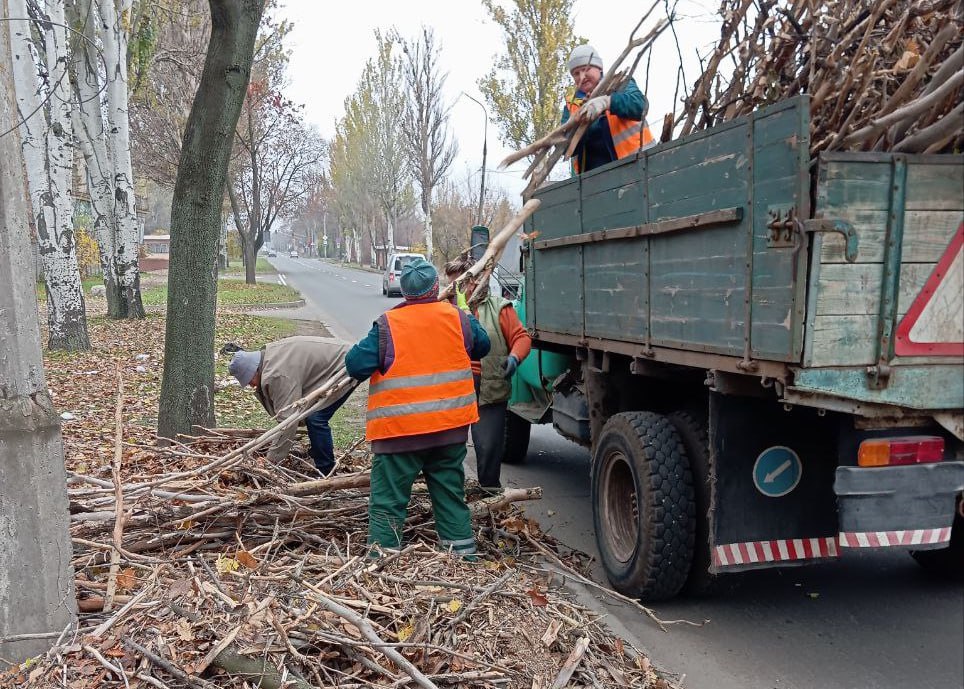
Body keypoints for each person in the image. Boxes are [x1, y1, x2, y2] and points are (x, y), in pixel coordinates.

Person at [345, 258, 491, 559]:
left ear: (404, 291)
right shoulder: (458, 320)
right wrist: (460, 314)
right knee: (451, 497)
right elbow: (483, 345)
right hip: (448, 433)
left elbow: (355, 364)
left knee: (388, 502)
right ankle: (463, 561)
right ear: (437, 287)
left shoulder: (387, 326)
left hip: (398, 434)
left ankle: (380, 569)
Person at [444, 255, 532, 491]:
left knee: (489, 450)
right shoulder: (443, 311)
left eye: (459, 283)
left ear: (473, 282)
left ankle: (489, 498)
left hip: (490, 391)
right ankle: (453, 498)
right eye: (451, 284)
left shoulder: (498, 308)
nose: (454, 290)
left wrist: (514, 357)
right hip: (452, 393)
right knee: (449, 452)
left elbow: (521, 338)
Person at [229, 336, 354, 476]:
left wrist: (270, 461)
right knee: (312, 415)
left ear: (254, 370)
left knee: (316, 419)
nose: (251, 385)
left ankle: (326, 471)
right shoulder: (269, 358)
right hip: (340, 359)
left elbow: (288, 421)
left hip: (347, 364)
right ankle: (317, 454)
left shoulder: (276, 374)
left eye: (249, 380)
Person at [561, 43, 656, 174]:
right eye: (576, 73)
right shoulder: (571, 105)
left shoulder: (621, 83)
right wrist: (582, 122)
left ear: (599, 68)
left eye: (586, 69)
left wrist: (608, 102)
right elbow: (565, 147)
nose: (582, 76)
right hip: (592, 183)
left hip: (638, 167)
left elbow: (640, 106)